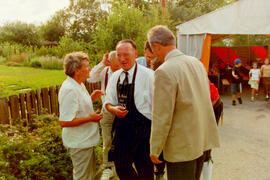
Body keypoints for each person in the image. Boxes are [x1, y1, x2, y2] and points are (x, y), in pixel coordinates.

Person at [147, 25, 220, 180]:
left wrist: (155, 148)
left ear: (156, 46)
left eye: (152, 50)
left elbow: (162, 116)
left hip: (181, 148)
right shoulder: (196, 63)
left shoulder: (164, 71)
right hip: (200, 141)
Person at [104, 39, 154, 180]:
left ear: (136, 53)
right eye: (119, 55)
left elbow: (159, 106)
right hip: (123, 128)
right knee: (121, 166)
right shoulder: (115, 77)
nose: (122, 59)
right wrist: (113, 109)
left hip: (144, 130)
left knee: (145, 168)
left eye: (126, 54)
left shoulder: (149, 76)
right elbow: (108, 102)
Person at [58, 51, 103, 180]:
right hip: (79, 143)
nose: (90, 68)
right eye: (87, 66)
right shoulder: (69, 89)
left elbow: (77, 108)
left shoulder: (78, 84)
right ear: (77, 70)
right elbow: (64, 122)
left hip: (85, 141)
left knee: (89, 176)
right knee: (83, 177)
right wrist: (90, 118)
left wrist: (91, 98)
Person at [87, 51, 121, 180]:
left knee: (122, 139)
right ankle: (108, 167)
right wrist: (102, 63)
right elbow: (90, 77)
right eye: (116, 65)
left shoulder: (126, 72)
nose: (119, 68)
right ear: (110, 62)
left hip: (122, 109)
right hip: (107, 110)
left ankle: (121, 166)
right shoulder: (105, 71)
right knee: (107, 140)